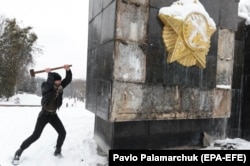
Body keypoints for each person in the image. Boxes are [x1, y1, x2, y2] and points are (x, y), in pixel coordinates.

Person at [12, 64, 72, 164]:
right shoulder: (46, 86)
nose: (60, 82)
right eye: (58, 80)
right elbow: (48, 85)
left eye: (60, 80)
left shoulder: (60, 87)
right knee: (35, 136)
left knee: (62, 133)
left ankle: (57, 150)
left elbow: (68, 80)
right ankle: (19, 151)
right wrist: (50, 73)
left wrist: (68, 70)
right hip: (44, 115)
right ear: (53, 80)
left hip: (53, 115)